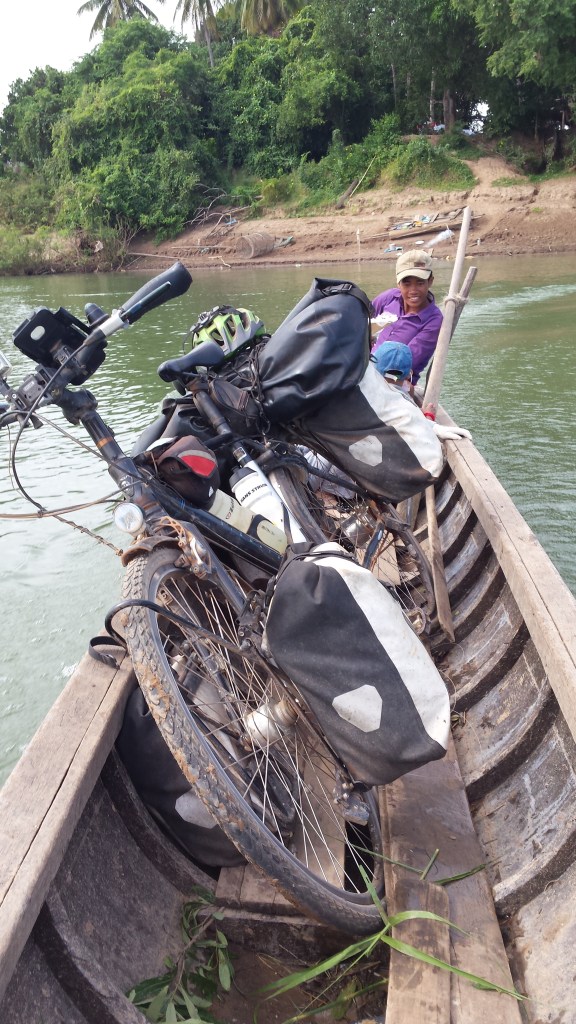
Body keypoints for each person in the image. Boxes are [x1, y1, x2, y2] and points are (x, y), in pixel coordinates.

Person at [371, 249, 442, 385]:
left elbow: (405, 363)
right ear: (398, 283)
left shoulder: (434, 320)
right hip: (367, 369)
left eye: (420, 283)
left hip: (396, 381)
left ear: (430, 281)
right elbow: (363, 321)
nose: (413, 290)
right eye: (406, 283)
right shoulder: (389, 297)